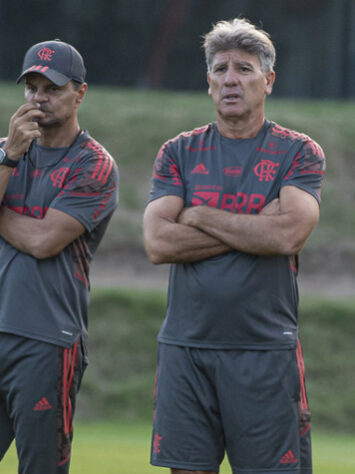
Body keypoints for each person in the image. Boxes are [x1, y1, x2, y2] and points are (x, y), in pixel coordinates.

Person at [0, 39, 119, 473]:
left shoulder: (94, 164)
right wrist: (9, 156)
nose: (39, 98)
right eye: (31, 87)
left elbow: (43, 240)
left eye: (51, 88)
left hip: (49, 340)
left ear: (79, 93)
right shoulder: (3, 151)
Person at [142, 18, 324, 474]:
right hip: (186, 348)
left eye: (244, 69)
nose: (230, 79)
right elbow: (159, 242)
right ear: (208, 82)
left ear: (268, 81)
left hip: (264, 350)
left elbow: (287, 234)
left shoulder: (298, 152)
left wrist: (198, 215)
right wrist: (251, 228)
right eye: (220, 69)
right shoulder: (178, 152)